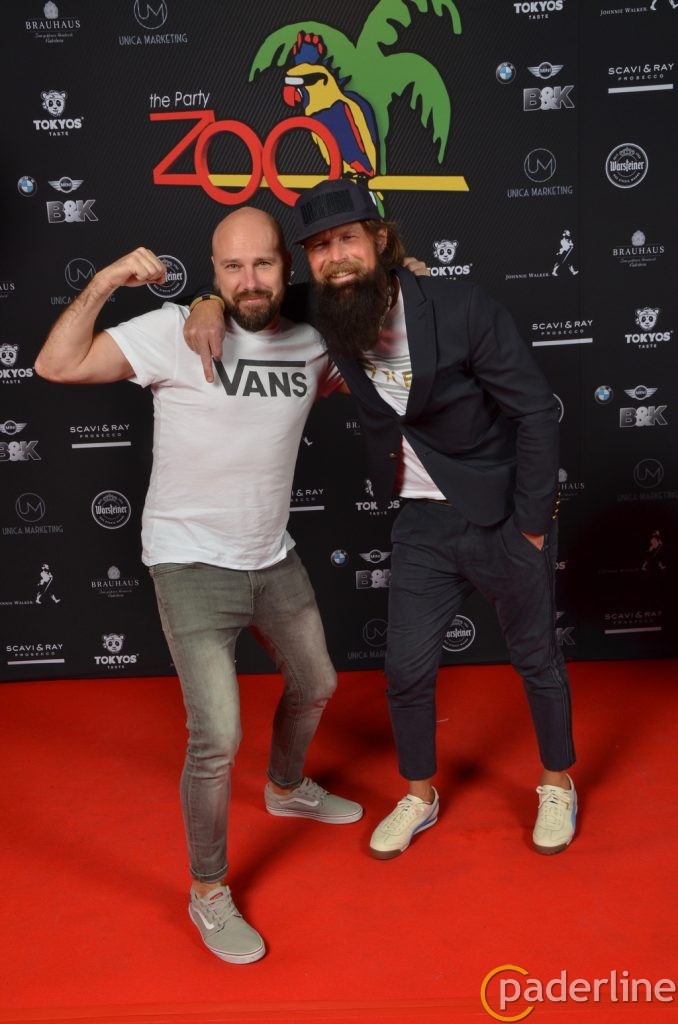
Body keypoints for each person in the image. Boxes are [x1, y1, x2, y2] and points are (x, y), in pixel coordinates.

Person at [184, 179, 577, 863]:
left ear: (381, 241)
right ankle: (420, 795)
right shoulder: (323, 306)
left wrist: (532, 525)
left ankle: (556, 783)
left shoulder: (462, 308)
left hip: (501, 515)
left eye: (347, 239)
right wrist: (205, 301)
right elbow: (252, 295)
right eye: (318, 247)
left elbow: (537, 414)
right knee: (406, 671)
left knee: (536, 659)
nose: (334, 257)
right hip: (421, 522)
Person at [34, 207, 363, 965]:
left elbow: (381, 358)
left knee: (317, 683)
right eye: (230, 269)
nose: (248, 281)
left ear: (287, 268)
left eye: (263, 264)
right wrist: (109, 279)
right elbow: (55, 364)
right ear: (212, 272)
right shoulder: (171, 331)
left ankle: (286, 787)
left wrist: (404, 281)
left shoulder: (313, 344)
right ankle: (208, 890)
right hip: (188, 563)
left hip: (271, 556)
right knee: (217, 736)